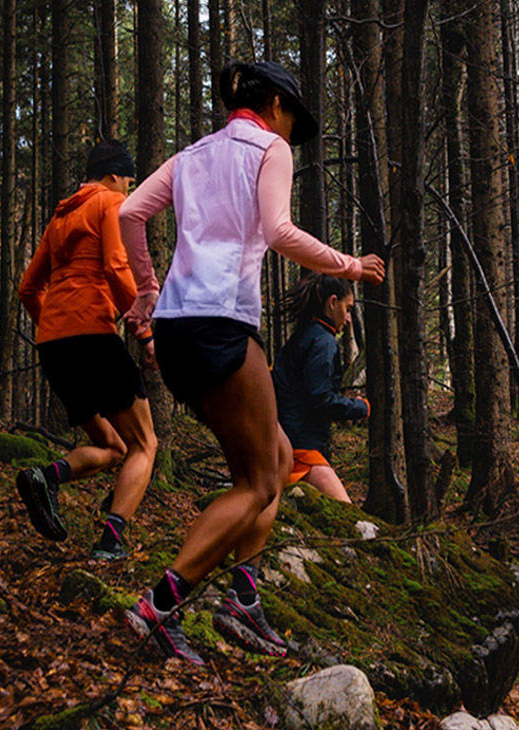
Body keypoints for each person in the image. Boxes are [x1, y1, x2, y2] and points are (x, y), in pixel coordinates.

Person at [117, 60, 385, 665]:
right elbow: (279, 230)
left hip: (178, 327)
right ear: (275, 107)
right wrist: (349, 265)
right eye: (293, 119)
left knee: (280, 459)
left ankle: (242, 595)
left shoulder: (193, 155)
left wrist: (147, 290)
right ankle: (158, 607)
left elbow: (129, 213)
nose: (292, 133)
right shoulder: (269, 149)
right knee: (263, 481)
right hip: (220, 325)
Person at [15, 139, 158, 562]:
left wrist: (57, 327)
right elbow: (116, 266)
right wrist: (144, 327)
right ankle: (111, 542)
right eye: (129, 183)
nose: (130, 193)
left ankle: (45, 476)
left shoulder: (60, 218)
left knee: (115, 447)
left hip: (54, 346)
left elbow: (28, 289)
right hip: (93, 339)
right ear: (114, 175)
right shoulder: (109, 204)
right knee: (145, 444)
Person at [272, 273, 369, 503]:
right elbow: (320, 399)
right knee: (349, 517)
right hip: (302, 453)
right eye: (347, 309)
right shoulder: (323, 343)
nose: (347, 319)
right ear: (332, 303)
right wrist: (360, 407)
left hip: (286, 445)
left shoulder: (303, 336)